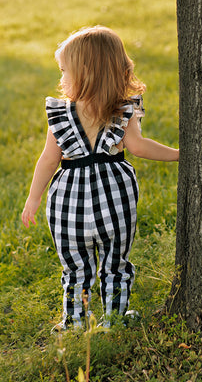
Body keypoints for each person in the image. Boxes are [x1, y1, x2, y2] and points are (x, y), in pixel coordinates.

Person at [21, 26, 179, 330]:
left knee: (76, 265)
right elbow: (138, 147)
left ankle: (76, 321)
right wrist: (178, 153)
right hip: (114, 197)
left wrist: (34, 198)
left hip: (69, 204)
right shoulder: (123, 110)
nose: (62, 79)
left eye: (65, 71)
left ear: (86, 72)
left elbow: (48, 160)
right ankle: (114, 318)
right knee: (114, 261)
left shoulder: (61, 114)